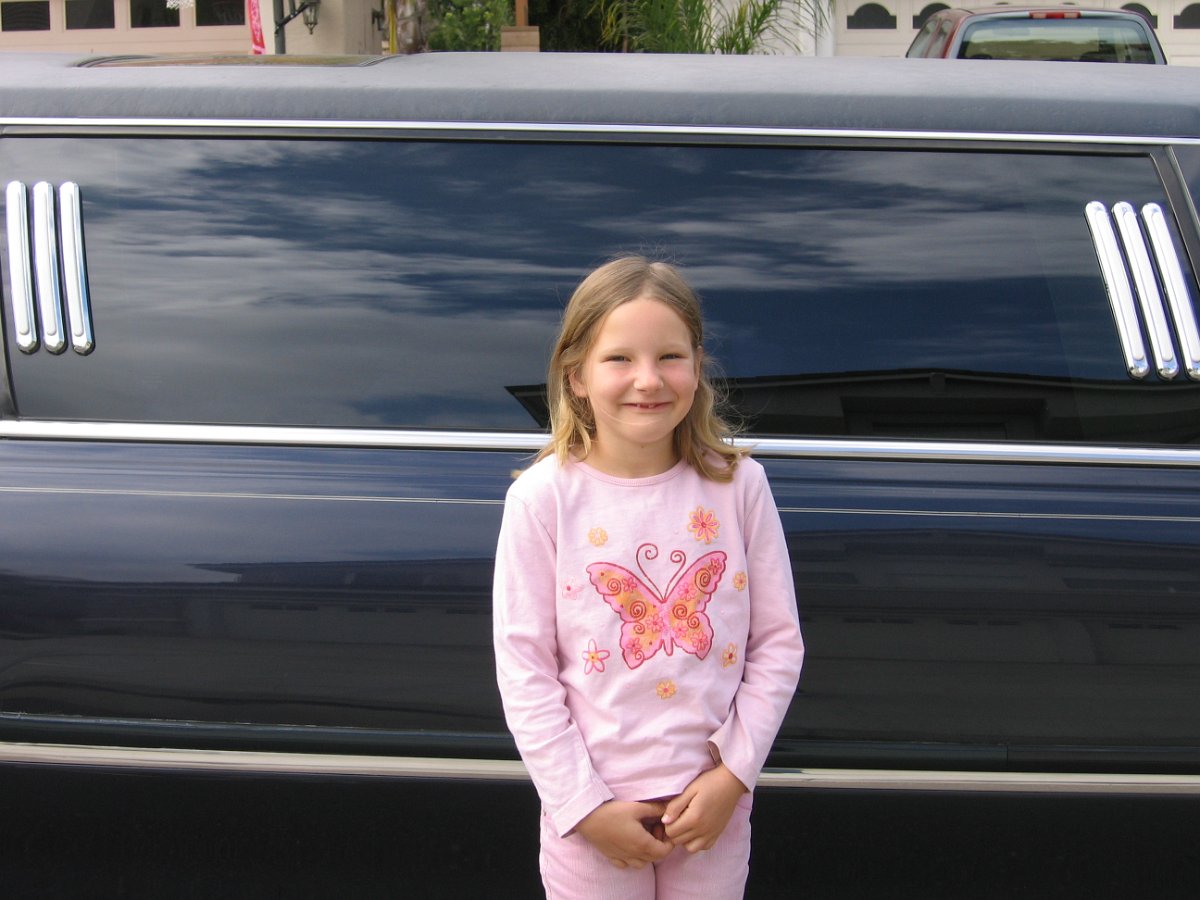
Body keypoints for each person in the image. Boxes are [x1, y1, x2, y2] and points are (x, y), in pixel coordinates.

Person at [492, 256, 804, 899]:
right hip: (592, 811)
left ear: (697, 366)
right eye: (619, 359)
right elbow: (525, 670)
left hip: (711, 808)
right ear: (576, 375)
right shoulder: (543, 499)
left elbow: (778, 643)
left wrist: (734, 776)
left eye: (669, 357)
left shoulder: (739, 485)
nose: (648, 380)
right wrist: (583, 807)